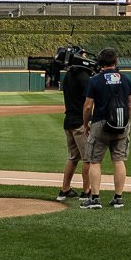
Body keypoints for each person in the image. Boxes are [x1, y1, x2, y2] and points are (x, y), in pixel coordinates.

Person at [81, 48, 131, 209]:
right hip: (121, 124)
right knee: (118, 161)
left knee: (94, 161)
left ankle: (95, 198)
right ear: (116, 61)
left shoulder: (95, 80)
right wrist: (128, 124)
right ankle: (118, 198)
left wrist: (86, 124)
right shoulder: (125, 79)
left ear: (100, 63)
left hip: (100, 124)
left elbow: (87, 106)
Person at [56, 58, 94, 204]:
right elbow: (88, 104)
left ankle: (64, 190)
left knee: (72, 158)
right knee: (88, 159)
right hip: (79, 122)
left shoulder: (68, 75)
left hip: (69, 121)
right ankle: (86, 191)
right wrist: (87, 123)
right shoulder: (84, 77)